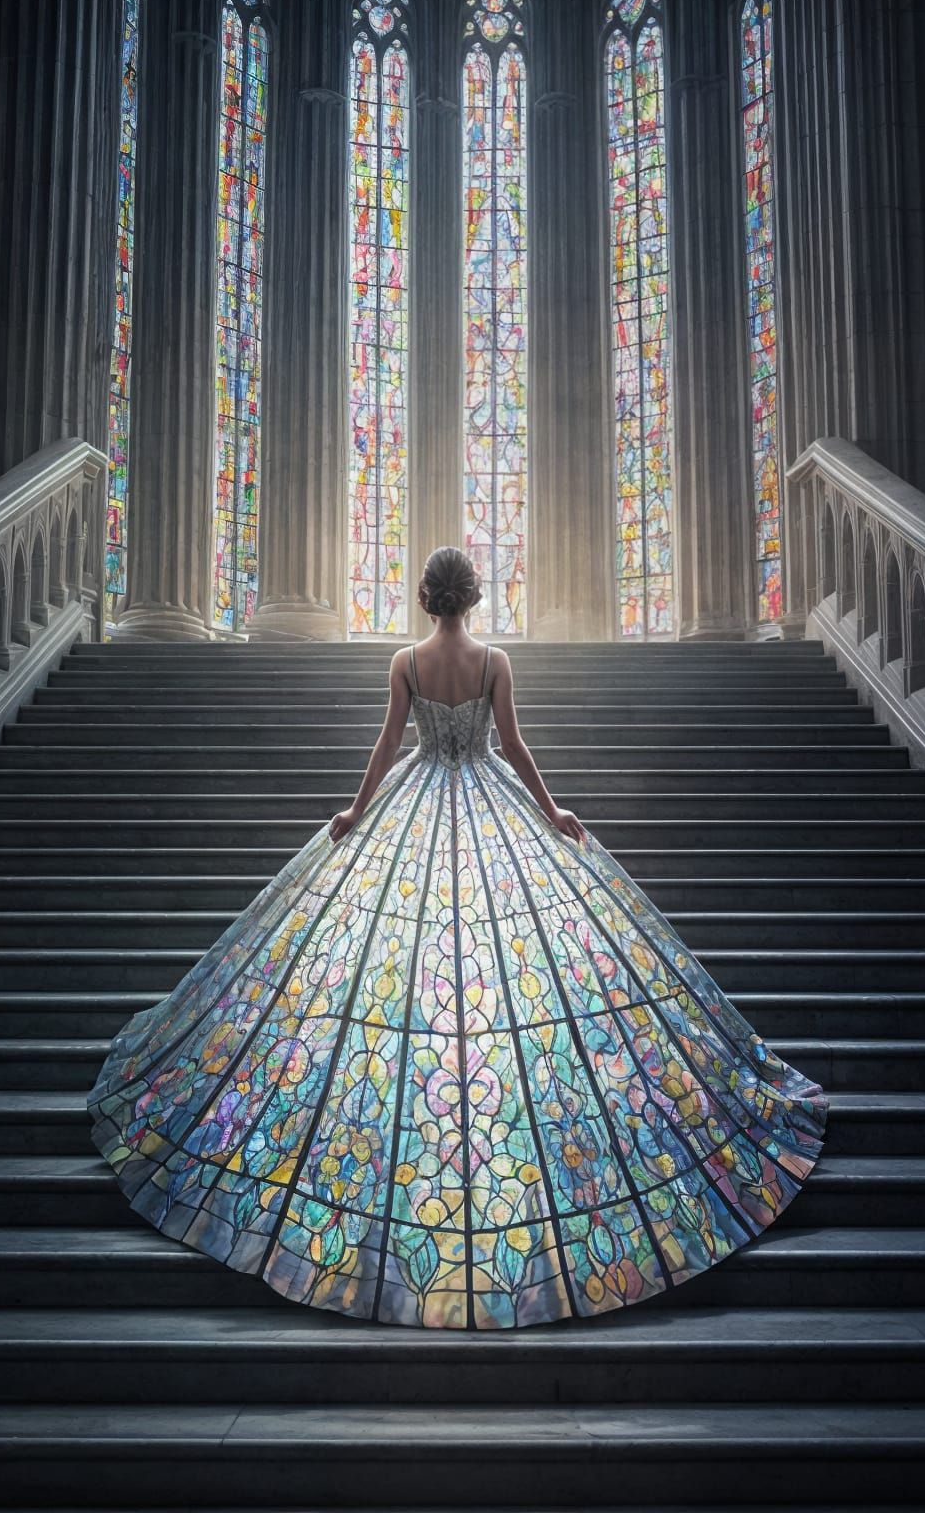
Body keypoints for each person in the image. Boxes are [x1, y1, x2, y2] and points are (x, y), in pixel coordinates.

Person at [88, 546, 827, 1328]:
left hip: (414, 799)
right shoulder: (495, 660)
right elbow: (511, 748)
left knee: (400, 953)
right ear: (473, 598)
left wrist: (355, 811)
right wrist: (551, 813)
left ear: (425, 599)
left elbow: (386, 746)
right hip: (489, 803)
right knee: (506, 954)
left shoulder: (406, 660)